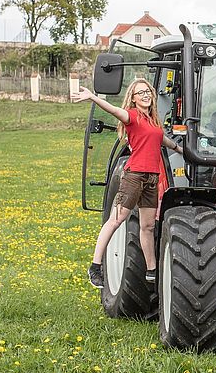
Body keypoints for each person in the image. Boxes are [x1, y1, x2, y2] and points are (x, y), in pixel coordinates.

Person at [72, 78, 183, 288]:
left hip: (151, 178)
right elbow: (114, 110)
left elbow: (161, 139)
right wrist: (93, 98)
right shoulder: (131, 116)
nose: (145, 95)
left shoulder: (153, 121)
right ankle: (95, 266)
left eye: (148, 92)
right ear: (132, 98)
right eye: (140, 93)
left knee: (148, 226)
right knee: (116, 219)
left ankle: (151, 271)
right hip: (134, 176)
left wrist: (181, 150)